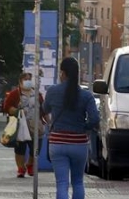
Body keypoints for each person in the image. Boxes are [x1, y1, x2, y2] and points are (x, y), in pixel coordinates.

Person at [43, 57, 100, 199]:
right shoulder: (86, 95)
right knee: (78, 182)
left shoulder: (53, 91)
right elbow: (95, 119)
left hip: (57, 143)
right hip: (79, 143)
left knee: (62, 183)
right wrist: (84, 128)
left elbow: (44, 109)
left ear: (62, 73)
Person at [3, 72, 46, 178]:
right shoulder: (15, 94)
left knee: (35, 149)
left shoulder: (37, 94)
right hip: (21, 126)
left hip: (35, 126)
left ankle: (30, 164)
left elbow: (43, 109)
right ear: (20, 81)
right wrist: (17, 110)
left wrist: (48, 121)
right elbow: (6, 107)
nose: (28, 81)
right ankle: (21, 168)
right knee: (20, 149)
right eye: (25, 79)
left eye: (29, 79)